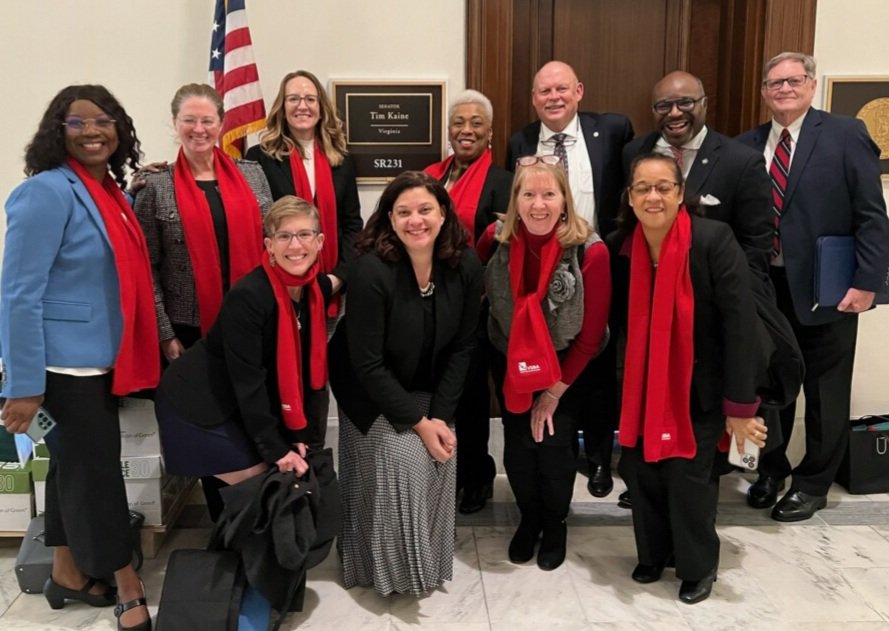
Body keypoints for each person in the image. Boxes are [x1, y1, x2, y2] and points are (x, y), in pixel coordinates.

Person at [1, 85, 158, 631]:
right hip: (62, 368)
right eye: (78, 123)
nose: (93, 131)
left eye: (104, 121)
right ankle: (126, 584)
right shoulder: (44, 192)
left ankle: (66, 573)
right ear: (56, 131)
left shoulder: (106, 192)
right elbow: (19, 292)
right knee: (98, 478)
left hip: (98, 359)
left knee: (72, 468)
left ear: (120, 130)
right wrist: (23, 387)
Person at [736, 52, 889, 521]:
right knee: (770, 387)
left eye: (793, 80)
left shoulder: (844, 135)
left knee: (826, 390)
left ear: (811, 83)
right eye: (774, 82)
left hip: (829, 288)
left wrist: (868, 283)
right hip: (766, 289)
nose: (783, 88)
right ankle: (770, 471)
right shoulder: (747, 144)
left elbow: (871, 215)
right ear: (763, 91)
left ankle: (813, 483)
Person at [610, 153, 768, 604]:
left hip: (699, 388)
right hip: (641, 389)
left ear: (681, 194)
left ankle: (698, 566)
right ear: (631, 197)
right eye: (643, 188)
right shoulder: (622, 246)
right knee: (641, 473)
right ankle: (654, 553)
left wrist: (739, 408)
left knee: (689, 479)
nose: (653, 196)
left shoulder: (714, 240)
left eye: (663, 187)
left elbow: (741, 327)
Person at [616, 70, 775, 509]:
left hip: (709, 321)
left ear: (704, 102)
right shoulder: (635, 152)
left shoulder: (740, 159)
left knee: (698, 458)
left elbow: (757, 243)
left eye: (685, 102)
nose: (675, 112)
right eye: (664, 105)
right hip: (649, 325)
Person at [329, 171, 482, 596]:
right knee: (406, 459)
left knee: (442, 453)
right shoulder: (371, 270)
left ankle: (427, 565)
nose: (416, 220)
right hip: (365, 387)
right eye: (404, 212)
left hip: (429, 384)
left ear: (443, 213)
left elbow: (463, 347)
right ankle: (381, 569)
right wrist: (419, 423)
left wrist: (440, 417)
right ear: (390, 220)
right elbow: (368, 363)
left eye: (425, 209)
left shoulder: (465, 263)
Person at [506, 60, 633, 498]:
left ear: (578, 91)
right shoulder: (520, 140)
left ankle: (598, 459)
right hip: (540, 268)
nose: (553, 97)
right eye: (544, 91)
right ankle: (546, 445)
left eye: (561, 89)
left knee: (597, 365)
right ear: (534, 98)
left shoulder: (613, 130)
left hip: (596, 264)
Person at [479, 158, 610, 571]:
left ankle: (555, 522)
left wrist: (553, 394)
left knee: (554, 450)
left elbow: (591, 338)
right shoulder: (494, 239)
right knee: (518, 450)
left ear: (565, 201)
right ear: (514, 200)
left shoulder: (591, 251)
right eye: (528, 194)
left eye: (549, 194)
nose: (538, 205)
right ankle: (529, 516)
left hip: (566, 366)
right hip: (510, 359)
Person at [154, 195, 330, 486]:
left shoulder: (316, 290)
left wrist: (299, 437)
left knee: (266, 488)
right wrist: (276, 447)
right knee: (257, 483)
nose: (296, 246)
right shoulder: (249, 297)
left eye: (304, 235)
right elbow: (248, 380)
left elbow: (307, 374)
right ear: (269, 245)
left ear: (319, 241)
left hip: (236, 403)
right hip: (199, 403)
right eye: (284, 236)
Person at [133, 83, 273, 359]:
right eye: (189, 120)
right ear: (175, 123)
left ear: (221, 124)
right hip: (186, 329)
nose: (199, 129)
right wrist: (165, 335)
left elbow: (271, 247)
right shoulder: (155, 184)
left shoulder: (253, 175)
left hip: (253, 317)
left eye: (207, 121)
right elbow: (145, 268)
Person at [423, 89, 513, 513]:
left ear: (489, 132)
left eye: (476, 123)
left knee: (472, 395)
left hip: (477, 308)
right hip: (431, 307)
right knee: (440, 392)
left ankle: (477, 475)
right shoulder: (430, 177)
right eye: (459, 122)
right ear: (448, 130)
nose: (466, 130)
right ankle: (443, 469)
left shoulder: (502, 181)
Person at [246, 70, 363, 305]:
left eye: (310, 99)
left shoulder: (341, 159)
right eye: (293, 99)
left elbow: (352, 224)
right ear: (282, 106)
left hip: (331, 284)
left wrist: (338, 278)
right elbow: (256, 225)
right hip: (278, 283)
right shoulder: (259, 157)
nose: (303, 106)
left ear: (321, 108)